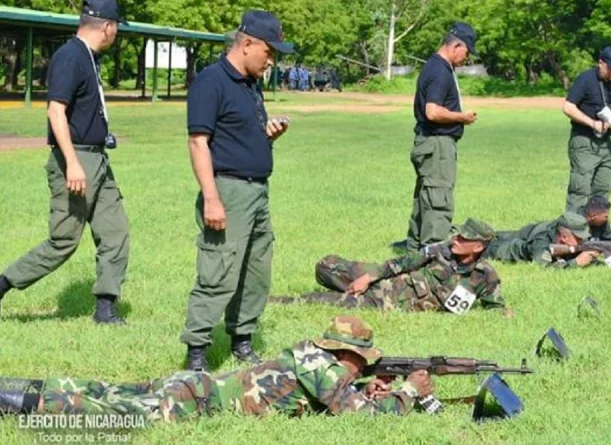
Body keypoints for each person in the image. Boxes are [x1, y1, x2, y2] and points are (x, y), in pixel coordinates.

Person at [0, 316, 434, 421]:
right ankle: (20, 399)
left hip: (194, 386)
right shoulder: (326, 371)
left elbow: (341, 394)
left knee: (108, 389)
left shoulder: (312, 357)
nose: (366, 362)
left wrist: (367, 384)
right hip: (196, 403)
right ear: (346, 354)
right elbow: (361, 416)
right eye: (362, 357)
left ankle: (24, 386)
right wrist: (410, 391)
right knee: (104, 411)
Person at [0, 0, 129, 324]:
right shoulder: (71, 56)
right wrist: (72, 163)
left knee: (115, 232)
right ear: (108, 26)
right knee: (63, 241)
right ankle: (3, 284)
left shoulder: (88, 57)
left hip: (97, 158)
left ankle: (105, 309)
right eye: (117, 29)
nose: (116, 34)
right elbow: (55, 110)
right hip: (76, 157)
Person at [181, 10, 293, 372]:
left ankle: (242, 339)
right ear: (247, 44)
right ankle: (196, 350)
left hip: (258, 192)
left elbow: (239, 134)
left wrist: (268, 135)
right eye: (269, 52)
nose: (271, 60)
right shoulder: (211, 82)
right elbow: (199, 143)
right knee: (219, 271)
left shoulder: (250, 83)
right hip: (228, 191)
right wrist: (212, 198)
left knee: (255, 272)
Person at [277, 219, 504, 314]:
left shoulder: (484, 275)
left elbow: (496, 306)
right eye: (458, 235)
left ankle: (273, 301)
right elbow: (401, 263)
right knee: (326, 265)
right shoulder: (441, 250)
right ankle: (348, 283)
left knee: (319, 301)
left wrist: (503, 312)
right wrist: (369, 277)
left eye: (463, 239)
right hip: (387, 282)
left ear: (477, 247)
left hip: (385, 302)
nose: (455, 239)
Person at [405, 22, 479, 251]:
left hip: (430, 142)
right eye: (467, 52)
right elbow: (433, 111)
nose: (466, 59)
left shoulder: (437, 67)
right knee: (438, 200)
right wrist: (461, 117)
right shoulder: (439, 71)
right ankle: (433, 254)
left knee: (425, 199)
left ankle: (415, 248)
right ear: (456, 45)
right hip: (437, 144)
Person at [562, 46, 611, 213]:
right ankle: (574, 230)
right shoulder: (585, 79)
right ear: (601, 63)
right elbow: (568, 107)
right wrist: (592, 123)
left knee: (602, 189)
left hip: (605, 144)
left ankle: (597, 233)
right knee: (580, 190)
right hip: (585, 142)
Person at [487, 212, 600, 268]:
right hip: (496, 249)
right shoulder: (541, 241)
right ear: (564, 237)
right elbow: (544, 267)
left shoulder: (566, 243)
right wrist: (575, 263)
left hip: (524, 237)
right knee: (487, 239)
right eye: (579, 238)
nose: (583, 242)